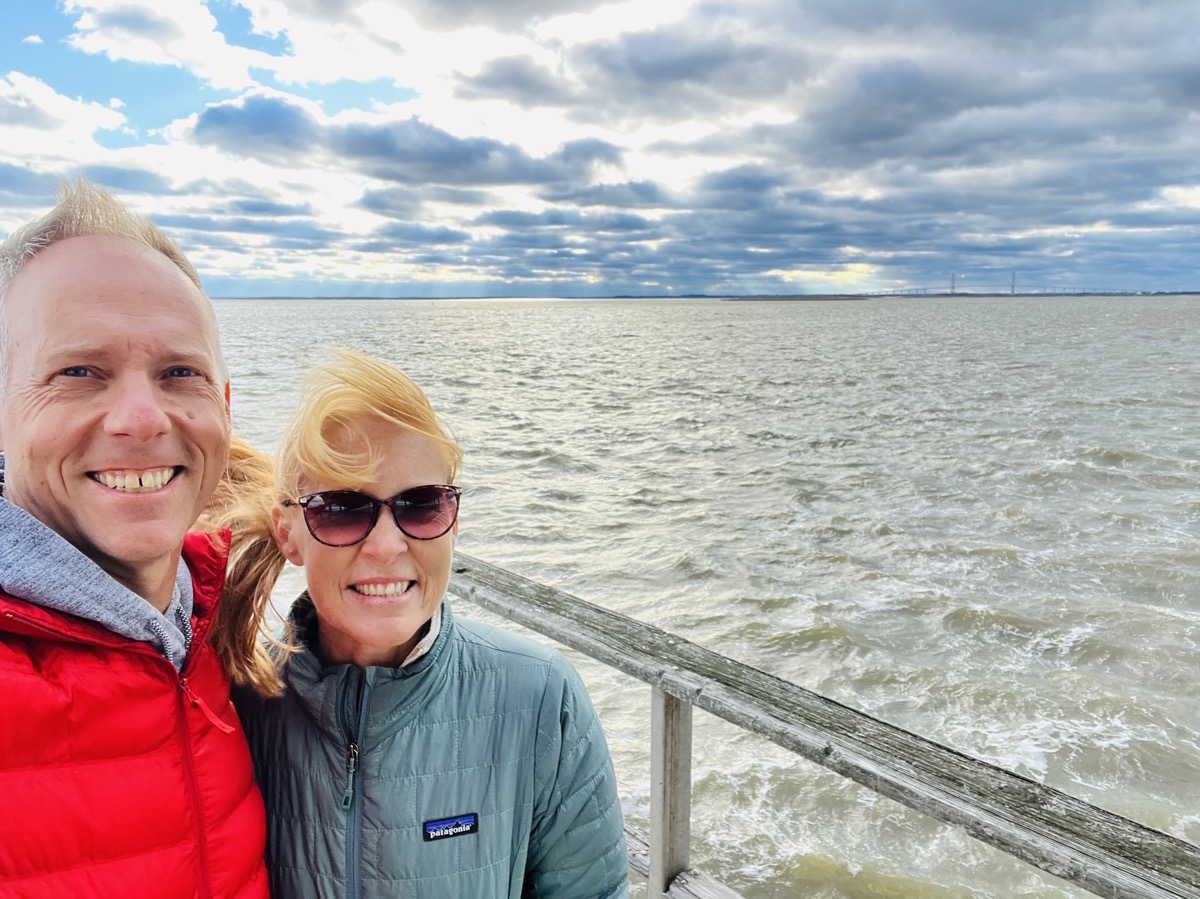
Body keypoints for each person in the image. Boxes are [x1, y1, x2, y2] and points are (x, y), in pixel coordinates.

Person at [219, 349, 630, 898]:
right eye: (341, 509)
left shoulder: (538, 699)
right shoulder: (235, 699)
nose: (388, 546)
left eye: (421, 506)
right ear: (288, 532)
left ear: (453, 523)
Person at [0, 179, 271, 898]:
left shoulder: (215, 632)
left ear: (223, 407)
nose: (142, 418)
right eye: (79, 372)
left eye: (179, 372)